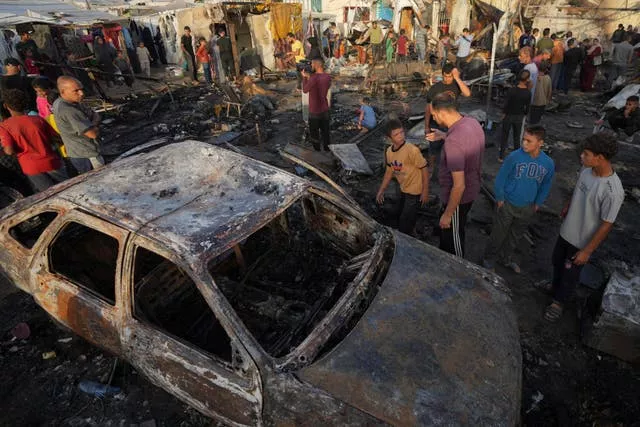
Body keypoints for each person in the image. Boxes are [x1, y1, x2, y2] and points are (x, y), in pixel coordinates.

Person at [544, 133, 624, 322]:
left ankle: (558, 302)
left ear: (600, 158)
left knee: (570, 274)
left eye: (586, 154)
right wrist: (569, 205)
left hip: (581, 241)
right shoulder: (587, 170)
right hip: (567, 231)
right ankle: (554, 286)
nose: (582, 157)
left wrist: (587, 251)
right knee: (557, 261)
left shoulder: (613, 191)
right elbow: (579, 189)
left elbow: (606, 224)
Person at [482, 125, 555, 273]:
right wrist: (500, 198)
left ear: (540, 143)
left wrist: (538, 203)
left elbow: (546, 184)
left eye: (529, 141)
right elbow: (501, 178)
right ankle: (488, 260)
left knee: (515, 235)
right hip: (508, 204)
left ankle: (506, 259)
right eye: (523, 140)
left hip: (528, 206)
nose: (524, 144)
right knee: (498, 234)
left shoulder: (548, 163)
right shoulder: (514, 157)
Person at [426, 93, 484, 257]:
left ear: (442, 113)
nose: (434, 119)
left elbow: (459, 186)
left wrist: (448, 214)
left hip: (459, 198)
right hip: (473, 187)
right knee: (448, 234)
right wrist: (444, 135)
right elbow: (464, 143)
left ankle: (458, 268)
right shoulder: (471, 122)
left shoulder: (454, 142)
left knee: (454, 237)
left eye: (434, 115)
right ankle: (445, 255)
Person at [0, 89, 67, 192]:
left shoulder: (5, 126)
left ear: (5, 106)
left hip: (31, 166)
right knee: (68, 188)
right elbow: (58, 139)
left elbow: (9, 151)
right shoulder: (38, 119)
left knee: (50, 194)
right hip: (51, 161)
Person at [376, 119, 429, 235]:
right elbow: (389, 172)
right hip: (403, 187)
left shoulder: (412, 150)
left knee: (405, 219)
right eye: (396, 134)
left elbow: (424, 168)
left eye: (401, 132)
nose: (400, 136)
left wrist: (425, 191)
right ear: (389, 139)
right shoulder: (389, 151)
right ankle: (410, 228)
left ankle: (406, 236)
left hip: (415, 190)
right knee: (400, 211)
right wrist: (381, 190)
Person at [423, 63, 471, 177]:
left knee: (452, 146)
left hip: (453, 124)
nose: (447, 79)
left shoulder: (456, 85)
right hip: (437, 123)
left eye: (450, 76)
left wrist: (457, 78)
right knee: (433, 148)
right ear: (442, 74)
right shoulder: (435, 88)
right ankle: (431, 167)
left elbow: (467, 94)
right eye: (445, 76)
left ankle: (450, 168)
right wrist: (426, 126)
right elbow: (428, 108)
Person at [52, 76, 102, 174]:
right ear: (63, 92)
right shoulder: (68, 109)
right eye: (76, 91)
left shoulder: (60, 102)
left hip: (76, 152)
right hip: (86, 154)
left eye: (81, 89)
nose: (81, 93)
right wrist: (95, 122)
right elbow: (92, 134)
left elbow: (92, 113)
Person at [499, 70, 531, 161]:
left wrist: (503, 113)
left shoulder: (512, 90)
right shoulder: (528, 93)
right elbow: (527, 107)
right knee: (517, 137)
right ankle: (517, 157)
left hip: (509, 116)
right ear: (527, 79)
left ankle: (501, 156)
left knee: (504, 136)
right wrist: (524, 114)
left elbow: (506, 103)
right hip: (519, 117)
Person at [302, 58, 331, 151]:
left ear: (316, 65)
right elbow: (328, 86)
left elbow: (305, 90)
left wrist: (305, 78)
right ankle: (327, 150)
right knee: (325, 132)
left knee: (314, 133)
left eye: (312, 64)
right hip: (325, 109)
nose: (311, 66)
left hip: (314, 110)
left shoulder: (313, 78)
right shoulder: (327, 76)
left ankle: (317, 151)